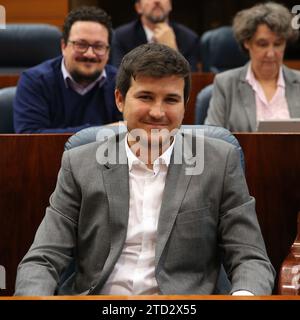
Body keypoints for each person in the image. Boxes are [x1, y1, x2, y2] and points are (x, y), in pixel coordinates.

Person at [15, 43, 275, 296]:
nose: (157, 112)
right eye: (145, 97)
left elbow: (250, 257)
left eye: (171, 99)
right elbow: (43, 258)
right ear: (120, 99)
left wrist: (244, 295)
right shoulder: (79, 163)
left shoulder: (219, 162)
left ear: (185, 106)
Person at [13, 6, 122, 133]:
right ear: (63, 46)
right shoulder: (35, 81)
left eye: (99, 46)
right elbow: (30, 138)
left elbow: (131, 133)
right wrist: (101, 131)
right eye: (81, 45)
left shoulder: (121, 82)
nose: (90, 54)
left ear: (108, 51)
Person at [205, 2, 300, 132]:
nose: (271, 53)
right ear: (247, 42)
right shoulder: (225, 84)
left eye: (278, 44)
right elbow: (212, 138)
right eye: (262, 44)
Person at [111, 0, 200, 71]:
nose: (157, 1)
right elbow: (119, 78)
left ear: (170, 5)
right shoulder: (121, 36)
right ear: (138, 7)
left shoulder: (189, 38)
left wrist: (173, 51)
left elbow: (191, 83)